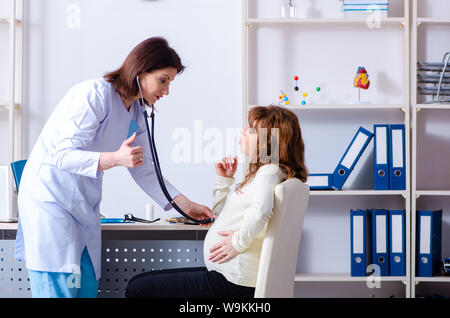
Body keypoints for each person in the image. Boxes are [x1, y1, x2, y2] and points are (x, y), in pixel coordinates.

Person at [15, 37, 214, 298]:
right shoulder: (94, 94)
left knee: (84, 286)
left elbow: (143, 168)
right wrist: (116, 159)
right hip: (51, 202)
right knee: (61, 287)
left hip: (81, 206)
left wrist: (184, 205)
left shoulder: (135, 111)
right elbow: (61, 154)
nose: (166, 91)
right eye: (163, 80)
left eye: (170, 83)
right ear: (141, 71)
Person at [125, 105, 308, 298]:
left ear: (269, 141)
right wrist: (224, 181)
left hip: (234, 283)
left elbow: (262, 211)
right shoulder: (268, 174)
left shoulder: (268, 172)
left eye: (252, 130)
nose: (243, 131)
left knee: (138, 289)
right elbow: (221, 219)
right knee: (138, 284)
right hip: (229, 277)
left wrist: (237, 243)